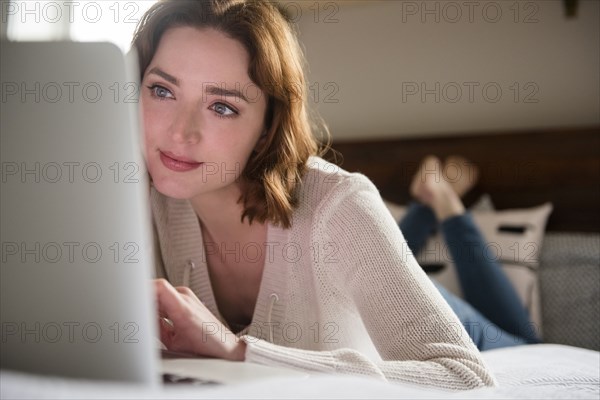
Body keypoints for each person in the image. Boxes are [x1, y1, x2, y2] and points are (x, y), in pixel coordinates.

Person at [132, 0, 496, 390]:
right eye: (162, 90)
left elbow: (467, 377)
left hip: (482, 332)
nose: (179, 133)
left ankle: (442, 202)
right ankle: (426, 207)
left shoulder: (341, 204)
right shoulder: (142, 199)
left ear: (267, 129)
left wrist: (239, 351)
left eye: (222, 106)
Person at [400, 156, 541, 351]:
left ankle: (433, 203)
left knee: (376, 269)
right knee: (524, 347)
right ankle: (440, 201)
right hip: (515, 349)